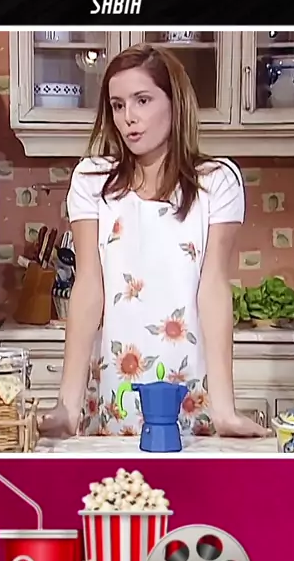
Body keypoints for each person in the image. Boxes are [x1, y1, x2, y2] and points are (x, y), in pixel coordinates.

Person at [38, 43, 272, 441]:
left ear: (175, 103)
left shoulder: (217, 182)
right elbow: (89, 286)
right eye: (117, 105)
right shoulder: (92, 180)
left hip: (189, 395)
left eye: (142, 100)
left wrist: (225, 411)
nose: (128, 117)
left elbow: (214, 288)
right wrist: (67, 407)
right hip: (113, 393)